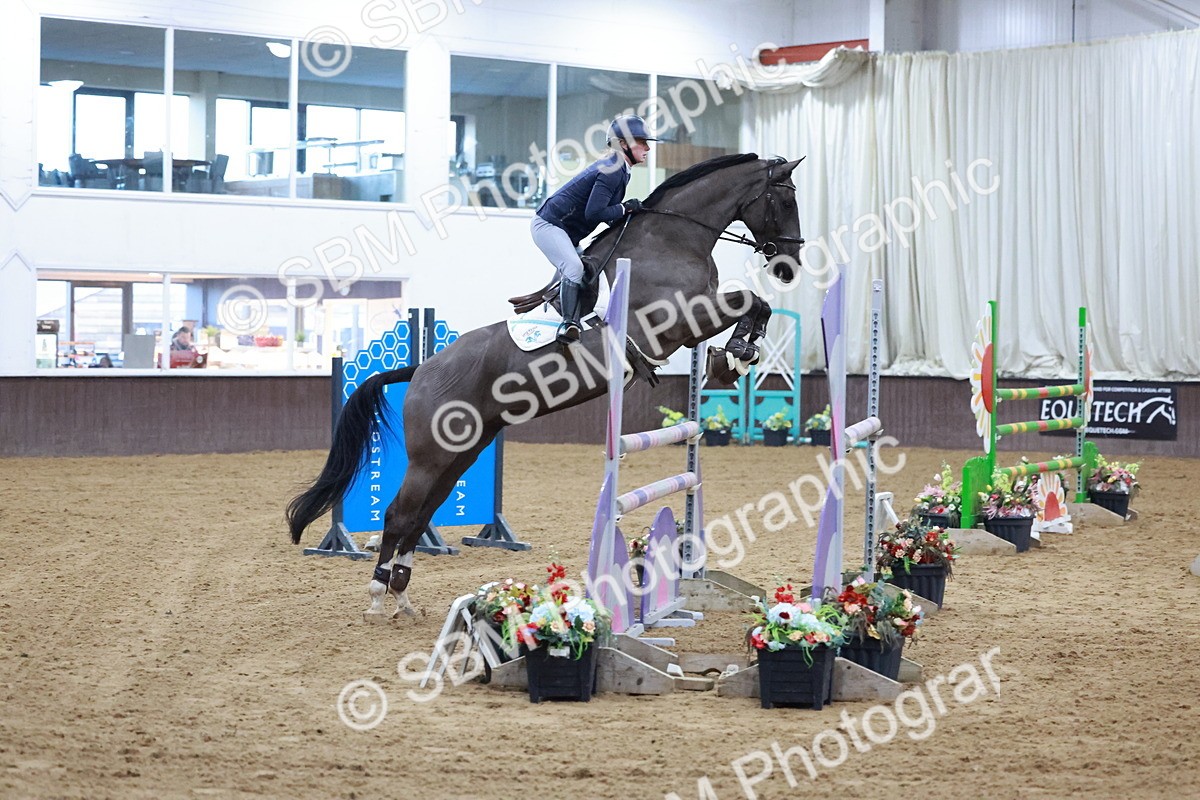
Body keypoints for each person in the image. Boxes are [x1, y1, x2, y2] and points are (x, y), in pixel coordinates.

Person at [532, 114, 656, 344]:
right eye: (642, 141)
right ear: (623, 144)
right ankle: (568, 325)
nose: (648, 147)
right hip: (549, 225)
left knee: (590, 271)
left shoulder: (619, 168)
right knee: (573, 268)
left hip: (566, 231)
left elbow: (603, 212)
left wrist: (627, 213)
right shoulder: (612, 169)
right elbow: (595, 213)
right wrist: (623, 208)